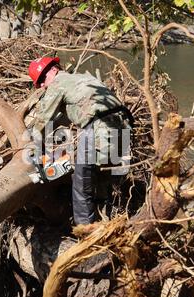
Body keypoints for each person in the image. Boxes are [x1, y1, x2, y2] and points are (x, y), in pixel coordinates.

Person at [28, 56, 132, 226]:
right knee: (102, 174)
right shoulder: (83, 78)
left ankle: (86, 231)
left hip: (99, 127)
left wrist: (33, 148)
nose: (40, 86)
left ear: (54, 69)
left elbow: (42, 119)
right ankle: (108, 220)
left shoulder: (58, 83)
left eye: (41, 79)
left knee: (81, 181)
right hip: (124, 126)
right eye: (38, 83)